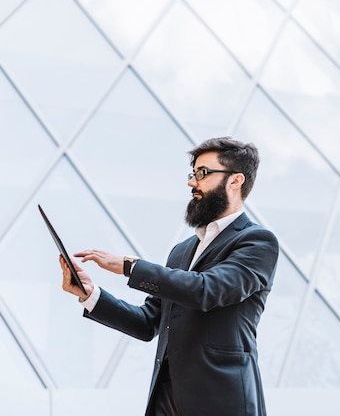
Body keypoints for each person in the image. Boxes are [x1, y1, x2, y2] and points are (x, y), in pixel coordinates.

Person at [59, 137, 279, 416]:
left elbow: (207, 290)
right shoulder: (182, 251)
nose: (192, 183)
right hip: (166, 400)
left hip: (222, 401)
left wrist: (130, 266)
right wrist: (90, 295)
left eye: (203, 174)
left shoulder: (257, 242)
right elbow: (147, 322)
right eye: (192, 174)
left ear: (235, 181)